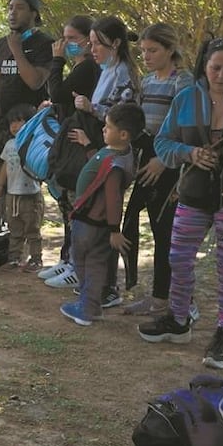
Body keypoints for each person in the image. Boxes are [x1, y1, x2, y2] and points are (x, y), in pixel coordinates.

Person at [138, 37, 223, 370]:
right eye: (216, 67)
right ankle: (178, 319)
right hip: (193, 194)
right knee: (178, 257)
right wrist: (189, 154)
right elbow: (163, 141)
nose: (221, 74)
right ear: (205, 66)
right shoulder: (187, 98)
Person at [120, 23, 195, 315]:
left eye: (153, 50)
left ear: (170, 49)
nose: (147, 56)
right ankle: (159, 295)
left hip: (172, 163)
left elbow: (186, 128)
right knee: (151, 226)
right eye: (143, 51)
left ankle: (178, 299)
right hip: (148, 160)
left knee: (169, 233)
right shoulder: (149, 82)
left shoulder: (183, 82)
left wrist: (165, 160)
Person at [68, 16, 140, 307]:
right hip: (102, 149)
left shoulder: (124, 74)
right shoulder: (107, 70)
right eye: (92, 42)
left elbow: (122, 115)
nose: (92, 48)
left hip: (113, 154)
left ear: (116, 44)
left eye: (98, 43)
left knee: (105, 218)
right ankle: (95, 287)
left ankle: (104, 288)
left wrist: (91, 107)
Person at [59, 104, 145, 326]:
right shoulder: (121, 154)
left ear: (123, 134)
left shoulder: (116, 164)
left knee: (82, 261)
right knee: (95, 263)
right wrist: (89, 146)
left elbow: (113, 197)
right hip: (99, 223)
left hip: (90, 221)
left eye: (108, 127)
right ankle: (92, 307)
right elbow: (98, 165)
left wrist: (115, 230)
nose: (103, 130)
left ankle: (87, 308)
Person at [39, 15, 101, 285]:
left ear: (89, 41)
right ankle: (67, 258)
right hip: (69, 141)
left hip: (80, 142)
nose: (66, 44)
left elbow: (57, 93)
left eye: (73, 39)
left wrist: (56, 61)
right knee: (66, 202)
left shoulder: (87, 68)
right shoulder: (79, 68)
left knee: (76, 203)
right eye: (64, 39)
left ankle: (77, 264)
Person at [0, 0, 54, 154]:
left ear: (34, 14)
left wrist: (17, 50)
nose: (13, 13)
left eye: (20, 8)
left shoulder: (45, 43)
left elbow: (35, 82)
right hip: (3, 124)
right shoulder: (3, 43)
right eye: (10, 8)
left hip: (31, 124)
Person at [0, 104, 43, 271]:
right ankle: (14, 257)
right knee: (15, 228)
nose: (14, 126)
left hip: (30, 194)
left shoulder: (33, 143)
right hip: (12, 194)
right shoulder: (10, 144)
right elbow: (5, 166)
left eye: (19, 121)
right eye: (11, 122)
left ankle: (35, 259)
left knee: (32, 229)